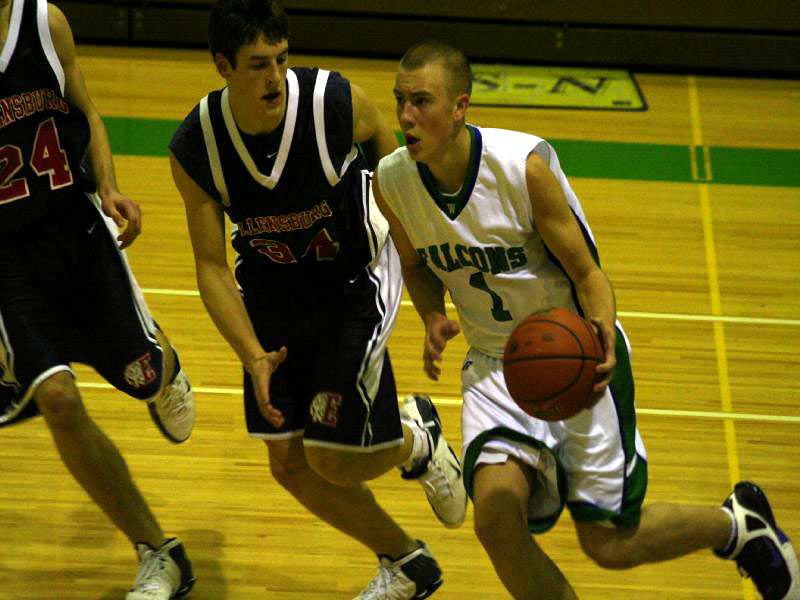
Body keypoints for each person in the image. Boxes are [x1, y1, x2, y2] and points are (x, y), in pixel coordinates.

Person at [373, 40, 800, 600]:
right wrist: (432, 314)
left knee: (609, 545)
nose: (406, 116)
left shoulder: (521, 167)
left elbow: (587, 272)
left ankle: (737, 526)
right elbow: (413, 263)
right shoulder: (392, 181)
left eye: (421, 101)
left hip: (573, 354)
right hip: (496, 367)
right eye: (400, 100)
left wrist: (603, 339)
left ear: (460, 106)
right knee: (496, 525)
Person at [168, 2, 467, 598]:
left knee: (332, 458)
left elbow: (397, 171)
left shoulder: (333, 102)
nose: (276, 77)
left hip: (353, 282)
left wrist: (425, 279)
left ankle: (416, 440)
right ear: (223, 66)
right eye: (258, 64)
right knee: (288, 465)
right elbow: (211, 266)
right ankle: (407, 563)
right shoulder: (196, 145)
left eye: (282, 59)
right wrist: (252, 353)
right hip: (273, 296)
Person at [0, 0, 197, 598]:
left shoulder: (43, 22)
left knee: (142, 375)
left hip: (75, 232)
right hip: (7, 261)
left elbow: (85, 111)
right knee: (57, 397)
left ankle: (165, 369)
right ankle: (158, 551)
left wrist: (109, 185)